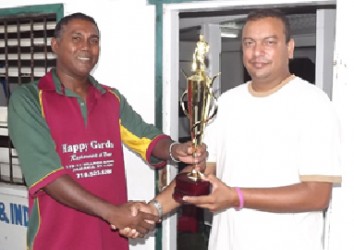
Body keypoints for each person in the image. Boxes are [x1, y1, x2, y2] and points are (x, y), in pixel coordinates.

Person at [123, 8, 341, 250]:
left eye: (269, 42)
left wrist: (235, 197)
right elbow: (200, 171)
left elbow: (317, 195)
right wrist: (154, 208)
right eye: (249, 43)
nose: (257, 52)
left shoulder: (313, 103)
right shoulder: (226, 102)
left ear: (289, 48)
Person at [7, 12, 206, 250]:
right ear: (55, 45)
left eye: (94, 40)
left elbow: (145, 137)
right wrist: (113, 213)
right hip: (57, 241)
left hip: (110, 240)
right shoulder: (29, 99)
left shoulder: (110, 98)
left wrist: (176, 150)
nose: (86, 47)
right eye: (76, 38)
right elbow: (50, 177)